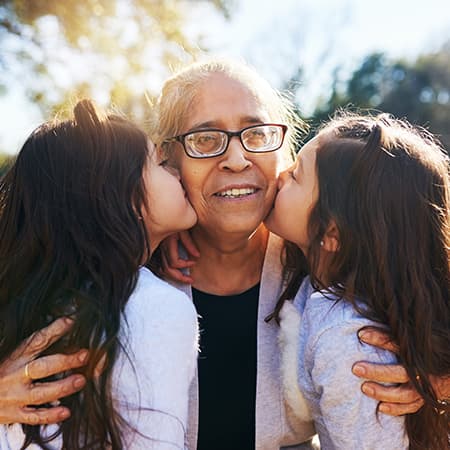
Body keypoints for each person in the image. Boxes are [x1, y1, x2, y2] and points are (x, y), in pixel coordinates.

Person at [150, 58, 440, 449]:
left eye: (256, 135)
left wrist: (436, 379)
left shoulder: (332, 259)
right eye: (205, 139)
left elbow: (426, 275)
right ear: (168, 159)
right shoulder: (132, 270)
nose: (237, 160)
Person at [0, 99, 198, 449]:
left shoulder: (27, 304)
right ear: (121, 196)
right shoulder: (155, 307)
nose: (178, 172)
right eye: (161, 163)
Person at [264, 112, 450, 449]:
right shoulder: (324, 289)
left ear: (331, 232)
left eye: (296, 176)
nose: (280, 175)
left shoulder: (348, 339)